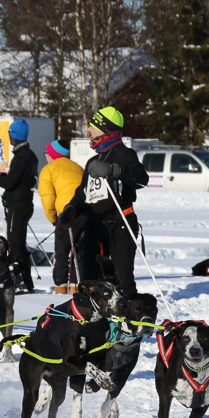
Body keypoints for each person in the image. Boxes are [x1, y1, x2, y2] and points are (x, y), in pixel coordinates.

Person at [62, 106, 149, 296]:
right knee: (90, 281)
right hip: (96, 228)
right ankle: (93, 322)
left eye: (93, 126)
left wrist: (114, 171)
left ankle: (128, 321)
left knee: (122, 281)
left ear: (105, 129)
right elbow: (83, 192)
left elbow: (141, 178)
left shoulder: (124, 154)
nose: (88, 130)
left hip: (121, 225)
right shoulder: (94, 160)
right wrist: (71, 208)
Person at [0, 119, 38, 293]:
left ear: (13, 136)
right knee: (19, 243)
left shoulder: (21, 157)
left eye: (10, 134)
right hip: (23, 203)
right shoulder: (30, 155)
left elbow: (11, 182)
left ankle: (21, 282)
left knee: (15, 244)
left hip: (18, 205)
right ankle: (26, 281)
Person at [38, 139, 83, 294]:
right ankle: (77, 289)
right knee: (80, 252)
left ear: (51, 155)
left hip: (66, 213)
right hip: (85, 213)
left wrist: (54, 220)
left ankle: (61, 290)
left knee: (62, 252)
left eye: (46, 154)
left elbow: (47, 197)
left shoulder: (49, 169)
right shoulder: (77, 167)